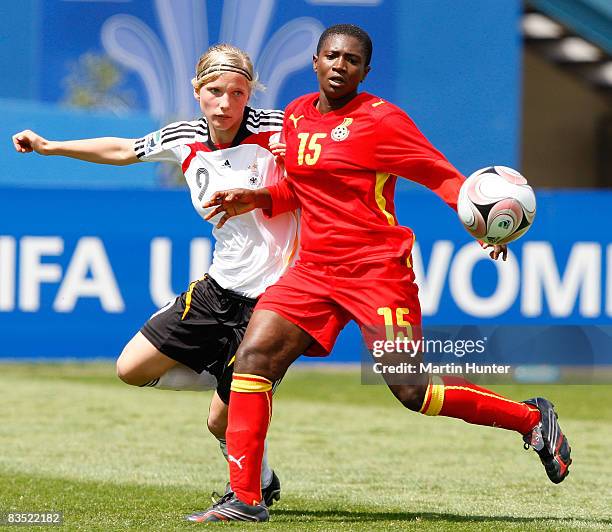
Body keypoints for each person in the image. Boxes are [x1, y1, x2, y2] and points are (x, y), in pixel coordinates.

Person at [189, 24, 572, 523]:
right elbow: (306, 190)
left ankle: (531, 418)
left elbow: (440, 173)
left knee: (412, 391)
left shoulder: (382, 120)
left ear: (365, 71)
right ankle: (245, 498)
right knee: (253, 358)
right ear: (316, 60)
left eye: (351, 60)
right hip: (314, 270)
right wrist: (261, 197)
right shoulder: (298, 115)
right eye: (332, 56)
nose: (339, 65)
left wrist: (479, 223)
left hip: (376, 272)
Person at [11, 43, 300, 507]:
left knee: (219, 424)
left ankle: (254, 478)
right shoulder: (183, 136)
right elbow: (124, 148)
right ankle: (232, 377)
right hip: (218, 287)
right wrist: (51, 146)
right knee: (130, 368)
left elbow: (330, 173)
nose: (225, 103)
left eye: (237, 92)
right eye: (214, 91)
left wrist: (289, 171)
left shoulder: (283, 129)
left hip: (275, 298)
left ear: (251, 93)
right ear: (196, 90)